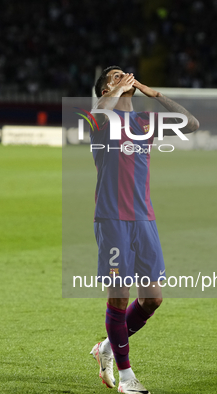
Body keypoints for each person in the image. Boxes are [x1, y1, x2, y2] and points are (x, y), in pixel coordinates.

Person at [89, 66, 199, 394]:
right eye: (114, 76)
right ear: (105, 89)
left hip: (144, 219)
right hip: (112, 220)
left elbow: (191, 125)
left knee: (152, 299)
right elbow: (99, 111)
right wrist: (112, 93)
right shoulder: (100, 120)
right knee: (119, 296)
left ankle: (106, 347)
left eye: (125, 74)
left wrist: (158, 95)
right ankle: (126, 378)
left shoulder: (143, 122)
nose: (123, 77)